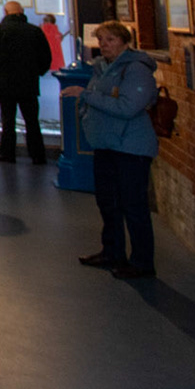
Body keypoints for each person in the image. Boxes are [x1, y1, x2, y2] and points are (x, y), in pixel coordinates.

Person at [62, 20, 158, 279]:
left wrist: (86, 97)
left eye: (110, 40)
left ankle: (142, 261)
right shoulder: (102, 68)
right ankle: (112, 251)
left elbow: (128, 107)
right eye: (101, 40)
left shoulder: (136, 70)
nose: (104, 45)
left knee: (133, 205)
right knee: (108, 202)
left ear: (124, 42)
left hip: (131, 148)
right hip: (106, 145)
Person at [0, 0, 51, 163]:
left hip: (5, 83)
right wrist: (37, 72)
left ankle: (8, 153)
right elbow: (46, 57)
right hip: (28, 83)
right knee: (32, 120)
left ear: (5, 12)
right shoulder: (34, 31)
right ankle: (38, 155)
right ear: (22, 11)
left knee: (8, 120)